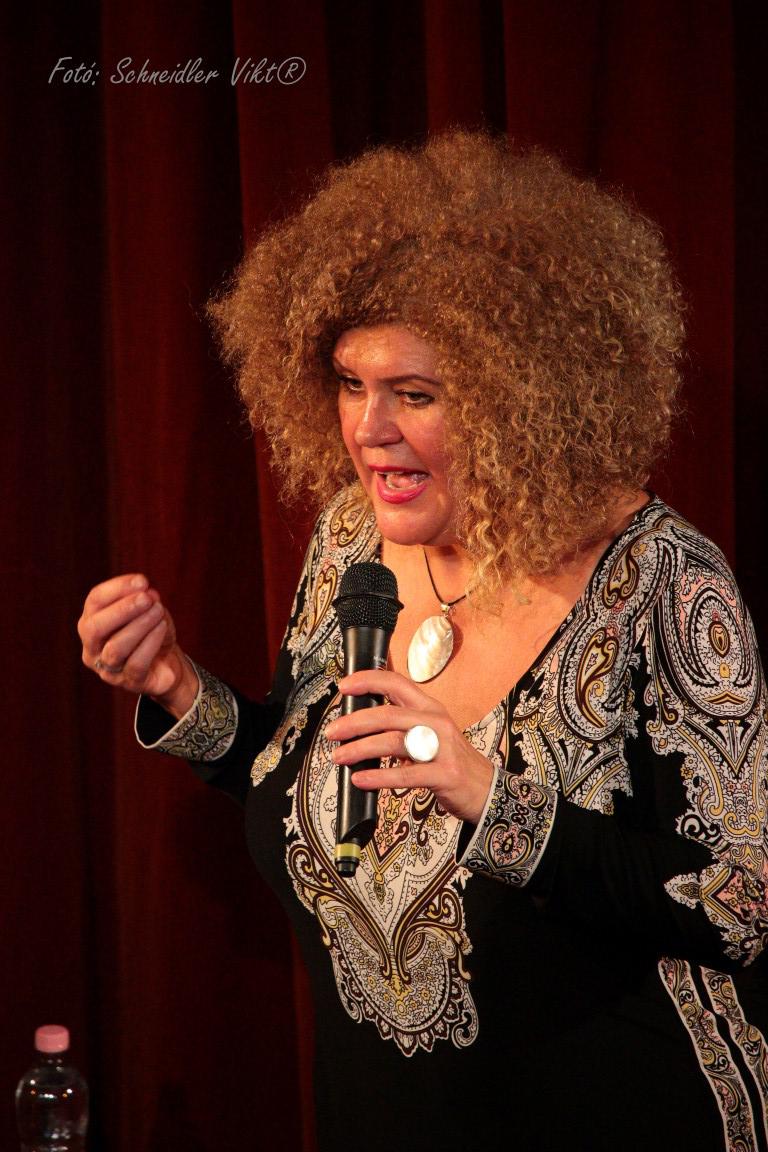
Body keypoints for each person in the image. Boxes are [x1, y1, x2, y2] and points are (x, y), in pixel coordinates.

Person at [78, 131, 768, 1152]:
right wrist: (180, 690)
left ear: (521, 396)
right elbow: (302, 778)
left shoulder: (668, 584)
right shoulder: (352, 542)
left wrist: (489, 795)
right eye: (350, 383)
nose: (368, 430)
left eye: (416, 394)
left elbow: (738, 906)